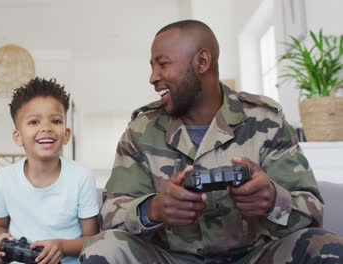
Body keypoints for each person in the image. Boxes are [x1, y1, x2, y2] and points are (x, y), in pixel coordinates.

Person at [79, 20, 343, 263]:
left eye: (163, 64)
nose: (153, 77)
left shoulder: (266, 121)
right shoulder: (141, 130)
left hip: (254, 257)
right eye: (152, 66)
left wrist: (273, 199)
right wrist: (153, 209)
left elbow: (312, 212)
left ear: (202, 61)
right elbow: (111, 216)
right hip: (169, 258)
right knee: (103, 248)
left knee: (324, 245)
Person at [0, 77, 100, 264]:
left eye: (55, 121)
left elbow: (93, 239)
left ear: (66, 134)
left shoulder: (81, 177)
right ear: (18, 137)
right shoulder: (3, 178)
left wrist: (62, 247)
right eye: (33, 122)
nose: (46, 128)